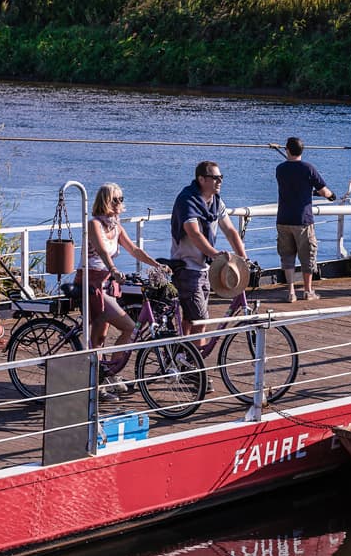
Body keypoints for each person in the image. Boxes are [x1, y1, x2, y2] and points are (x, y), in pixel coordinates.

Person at [77, 183, 169, 402]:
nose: (119, 203)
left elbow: (134, 249)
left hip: (107, 283)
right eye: (115, 199)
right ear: (105, 202)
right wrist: (114, 270)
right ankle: (100, 380)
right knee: (127, 326)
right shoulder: (94, 224)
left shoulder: (115, 225)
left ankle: (105, 375)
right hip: (91, 282)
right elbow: (100, 250)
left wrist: (157, 265)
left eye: (121, 198)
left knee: (101, 336)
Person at [170, 161, 248, 336]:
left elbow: (230, 231)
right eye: (215, 178)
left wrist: (244, 258)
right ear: (201, 179)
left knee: (191, 319)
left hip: (205, 268)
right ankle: (194, 360)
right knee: (201, 321)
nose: (220, 181)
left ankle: (182, 355)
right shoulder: (187, 200)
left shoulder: (216, 202)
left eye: (221, 177)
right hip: (187, 267)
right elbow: (194, 233)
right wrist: (215, 254)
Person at [275, 137, 335, 302]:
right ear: (302, 151)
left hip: (283, 219)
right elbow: (324, 192)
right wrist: (332, 196)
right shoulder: (308, 168)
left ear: (287, 149)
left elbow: (293, 186)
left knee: (287, 256)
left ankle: (290, 292)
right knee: (307, 255)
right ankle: (308, 291)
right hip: (303, 220)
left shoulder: (280, 169)